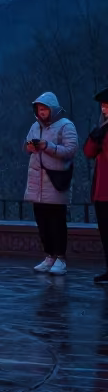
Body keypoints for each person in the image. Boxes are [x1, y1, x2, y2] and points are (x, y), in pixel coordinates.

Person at [24, 92, 79, 276]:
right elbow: (26, 146)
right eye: (39, 109)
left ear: (52, 109)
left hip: (56, 180)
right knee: (42, 222)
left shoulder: (66, 125)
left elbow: (71, 150)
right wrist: (30, 147)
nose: (42, 113)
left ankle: (61, 258)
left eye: (45, 109)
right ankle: (49, 256)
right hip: (36, 182)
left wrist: (48, 146)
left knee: (57, 222)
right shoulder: (35, 126)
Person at [85, 87, 108, 285]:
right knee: (105, 233)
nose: (104, 109)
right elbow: (89, 152)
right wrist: (95, 137)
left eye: (107, 105)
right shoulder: (102, 128)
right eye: (103, 105)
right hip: (101, 191)